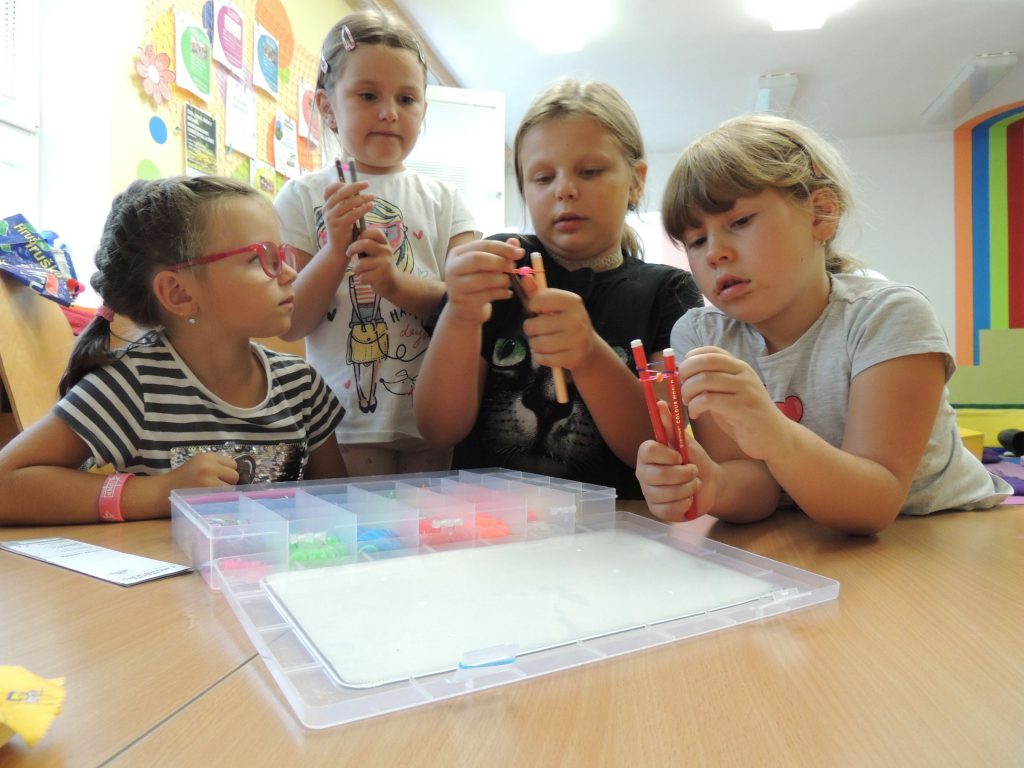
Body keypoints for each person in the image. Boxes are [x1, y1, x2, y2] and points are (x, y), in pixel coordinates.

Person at [636, 114, 1012, 534]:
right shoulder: (702, 334)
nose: (714, 253)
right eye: (696, 240)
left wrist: (775, 434)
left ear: (821, 213)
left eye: (739, 222)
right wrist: (714, 485)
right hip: (814, 537)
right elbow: (757, 489)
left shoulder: (889, 315)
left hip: (945, 531)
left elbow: (875, 503)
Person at [414, 79, 703, 498]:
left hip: (618, 526)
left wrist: (589, 356)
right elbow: (438, 429)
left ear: (637, 181)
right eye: (543, 177)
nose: (565, 189)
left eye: (590, 171)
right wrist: (460, 315)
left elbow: (661, 447)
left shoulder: (669, 292)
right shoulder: (499, 270)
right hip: (488, 522)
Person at [0, 176, 346, 526]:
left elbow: (338, 510)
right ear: (178, 293)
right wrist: (159, 492)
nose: (290, 273)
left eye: (283, 255)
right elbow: (5, 484)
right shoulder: (132, 386)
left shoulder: (301, 387)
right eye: (259, 259)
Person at [274, 9, 477, 477]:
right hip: (339, 426)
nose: (389, 112)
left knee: (430, 526)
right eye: (368, 95)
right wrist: (333, 253)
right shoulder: (301, 197)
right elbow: (290, 322)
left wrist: (394, 283)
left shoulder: (446, 200)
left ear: (423, 109)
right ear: (327, 108)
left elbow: (465, 303)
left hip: (433, 421)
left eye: (407, 98)